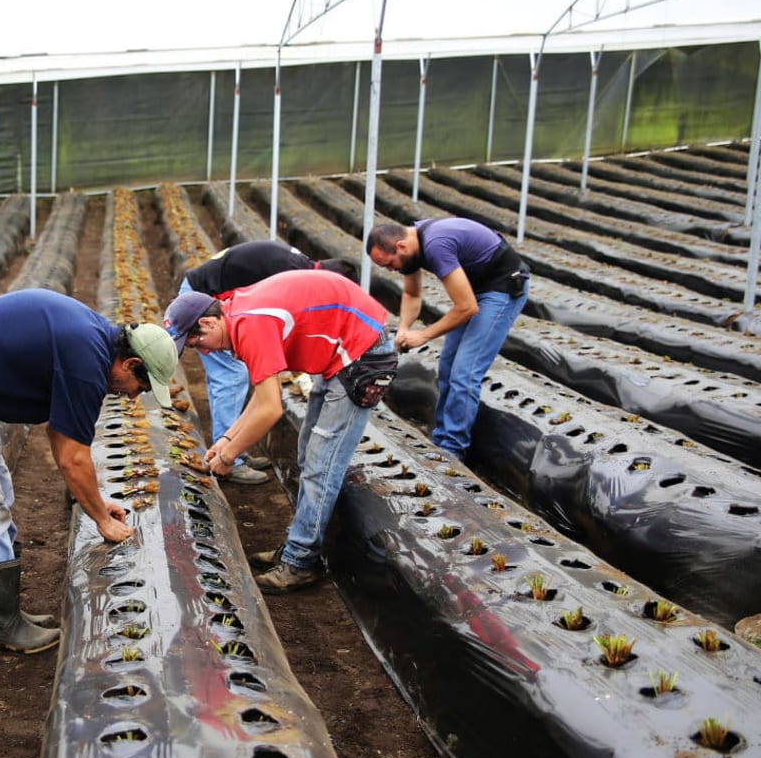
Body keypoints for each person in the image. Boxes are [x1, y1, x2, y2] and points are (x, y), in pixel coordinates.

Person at [0, 289, 178, 653]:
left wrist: (95, 501)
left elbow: (61, 435)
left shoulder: (93, 344)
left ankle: (2, 614)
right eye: (140, 387)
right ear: (129, 364)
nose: (132, 396)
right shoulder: (87, 360)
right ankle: (1, 626)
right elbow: (71, 457)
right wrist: (101, 518)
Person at [164, 269, 396, 593]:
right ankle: (297, 546)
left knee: (321, 464)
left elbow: (271, 408)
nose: (202, 352)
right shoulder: (237, 314)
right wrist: (227, 439)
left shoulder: (250, 325)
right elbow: (261, 399)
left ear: (208, 323)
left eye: (196, 342)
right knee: (308, 453)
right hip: (343, 353)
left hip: (363, 355)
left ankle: (301, 563)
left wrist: (228, 456)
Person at [178, 240, 358, 485]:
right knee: (232, 375)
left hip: (213, 300)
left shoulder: (298, 264)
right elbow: (278, 327)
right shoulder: (294, 274)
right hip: (203, 304)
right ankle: (229, 460)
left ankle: (231, 448)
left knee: (241, 375)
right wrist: (299, 377)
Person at [366, 218, 529, 461]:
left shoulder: (435, 245)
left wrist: (423, 334)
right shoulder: (410, 248)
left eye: (390, 264)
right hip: (476, 290)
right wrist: (403, 328)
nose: (391, 270)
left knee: (465, 371)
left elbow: (466, 307)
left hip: (502, 289)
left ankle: (453, 450)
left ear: (400, 246)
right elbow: (412, 293)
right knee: (447, 366)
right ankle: (442, 437)